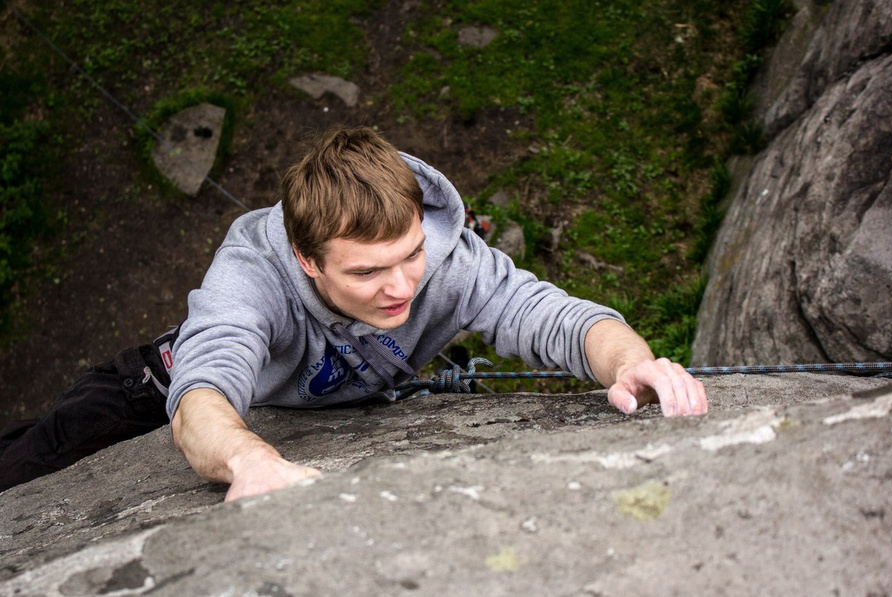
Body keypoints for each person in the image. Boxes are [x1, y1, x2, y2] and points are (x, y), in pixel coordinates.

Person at [0, 126, 706, 498]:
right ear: (309, 260)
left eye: (409, 255)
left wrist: (633, 364)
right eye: (367, 271)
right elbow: (205, 386)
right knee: (29, 465)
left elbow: (561, 318)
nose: (401, 285)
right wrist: (247, 456)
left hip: (323, 399)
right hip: (149, 390)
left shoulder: (446, 254)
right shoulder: (254, 272)